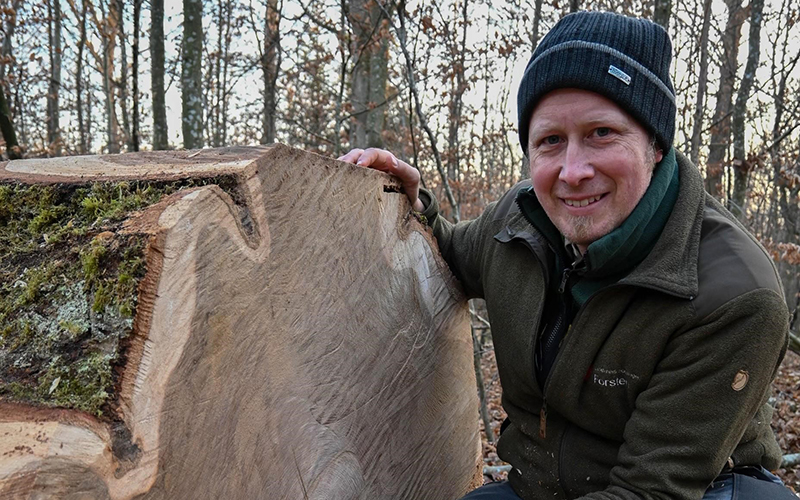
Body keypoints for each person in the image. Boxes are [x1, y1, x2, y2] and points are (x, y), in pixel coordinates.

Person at [339, 11, 795, 500]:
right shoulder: (519, 222)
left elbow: (650, 491)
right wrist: (410, 207)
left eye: (602, 133)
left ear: (655, 144)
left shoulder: (731, 294)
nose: (573, 171)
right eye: (551, 141)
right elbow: (451, 254)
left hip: (695, 491)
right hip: (544, 485)